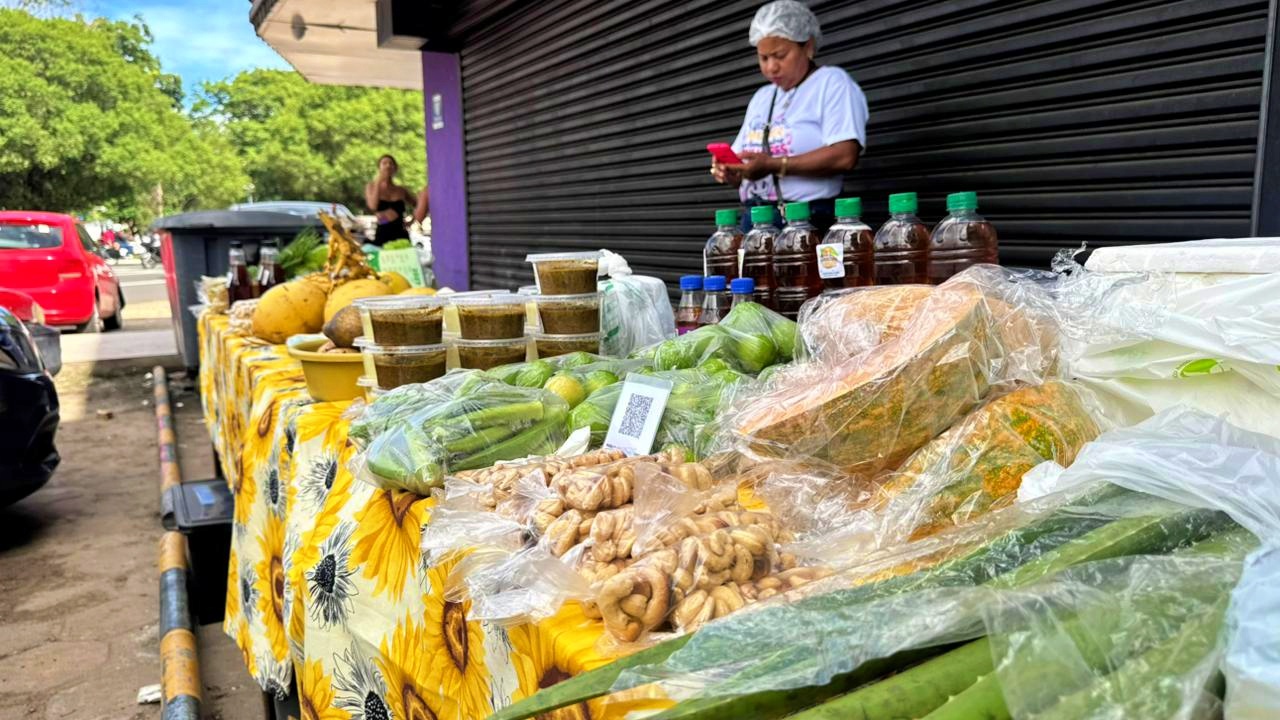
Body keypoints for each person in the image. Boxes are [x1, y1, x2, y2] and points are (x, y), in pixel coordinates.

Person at [711, 0, 869, 234]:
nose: (771, 68)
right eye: (764, 58)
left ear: (808, 46)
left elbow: (845, 155)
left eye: (780, 55)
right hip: (756, 218)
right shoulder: (763, 97)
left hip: (807, 218)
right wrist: (731, 171)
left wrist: (773, 165)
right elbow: (743, 165)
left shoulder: (831, 83)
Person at [364, 154, 417, 246]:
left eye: (390, 163)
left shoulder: (401, 190)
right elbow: (372, 206)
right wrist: (378, 182)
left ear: (395, 168)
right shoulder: (371, 187)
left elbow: (418, 205)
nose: (388, 165)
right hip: (382, 232)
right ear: (379, 167)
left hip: (401, 233)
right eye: (384, 163)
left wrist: (412, 221)